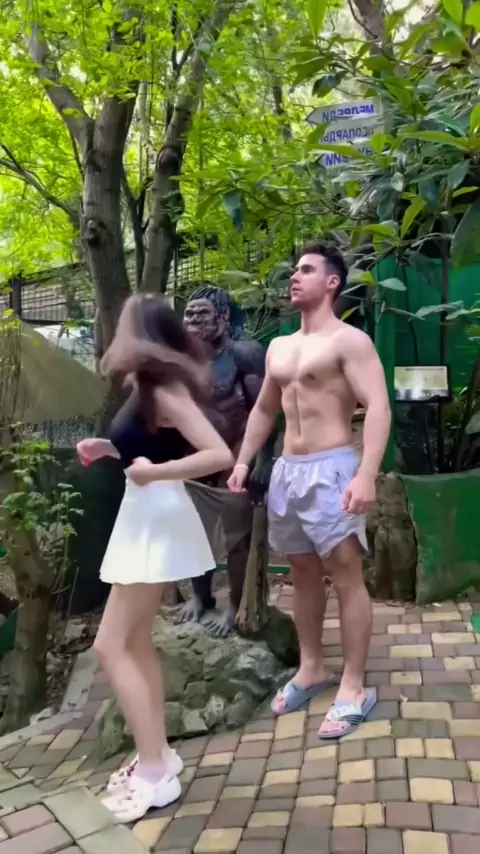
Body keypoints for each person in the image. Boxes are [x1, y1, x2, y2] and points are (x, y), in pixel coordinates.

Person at [76, 295, 233, 822]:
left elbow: (218, 454)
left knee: (110, 646)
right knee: (135, 641)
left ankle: (153, 771)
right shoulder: (145, 386)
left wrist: (153, 473)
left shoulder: (164, 389)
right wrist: (110, 449)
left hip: (155, 518)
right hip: (145, 514)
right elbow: (151, 446)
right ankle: (158, 755)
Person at [227, 241, 391, 739]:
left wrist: (366, 473)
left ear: (332, 282)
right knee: (301, 572)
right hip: (288, 471)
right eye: (294, 270)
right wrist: (243, 460)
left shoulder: (350, 341)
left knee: (345, 575)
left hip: (332, 469)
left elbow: (378, 406)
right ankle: (312, 667)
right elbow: (264, 409)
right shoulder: (279, 347)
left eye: (306, 269)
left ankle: (354, 686)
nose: (294, 277)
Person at [172, 285, 276, 636]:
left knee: (237, 539)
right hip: (194, 459)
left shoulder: (245, 354)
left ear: (224, 316)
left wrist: (263, 460)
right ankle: (201, 597)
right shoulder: (181, 359)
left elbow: (266, 410)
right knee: (193, 533)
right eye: (189, 314)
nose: (193, 320)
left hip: (236, 456)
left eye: (202, 313)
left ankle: (235, 605)